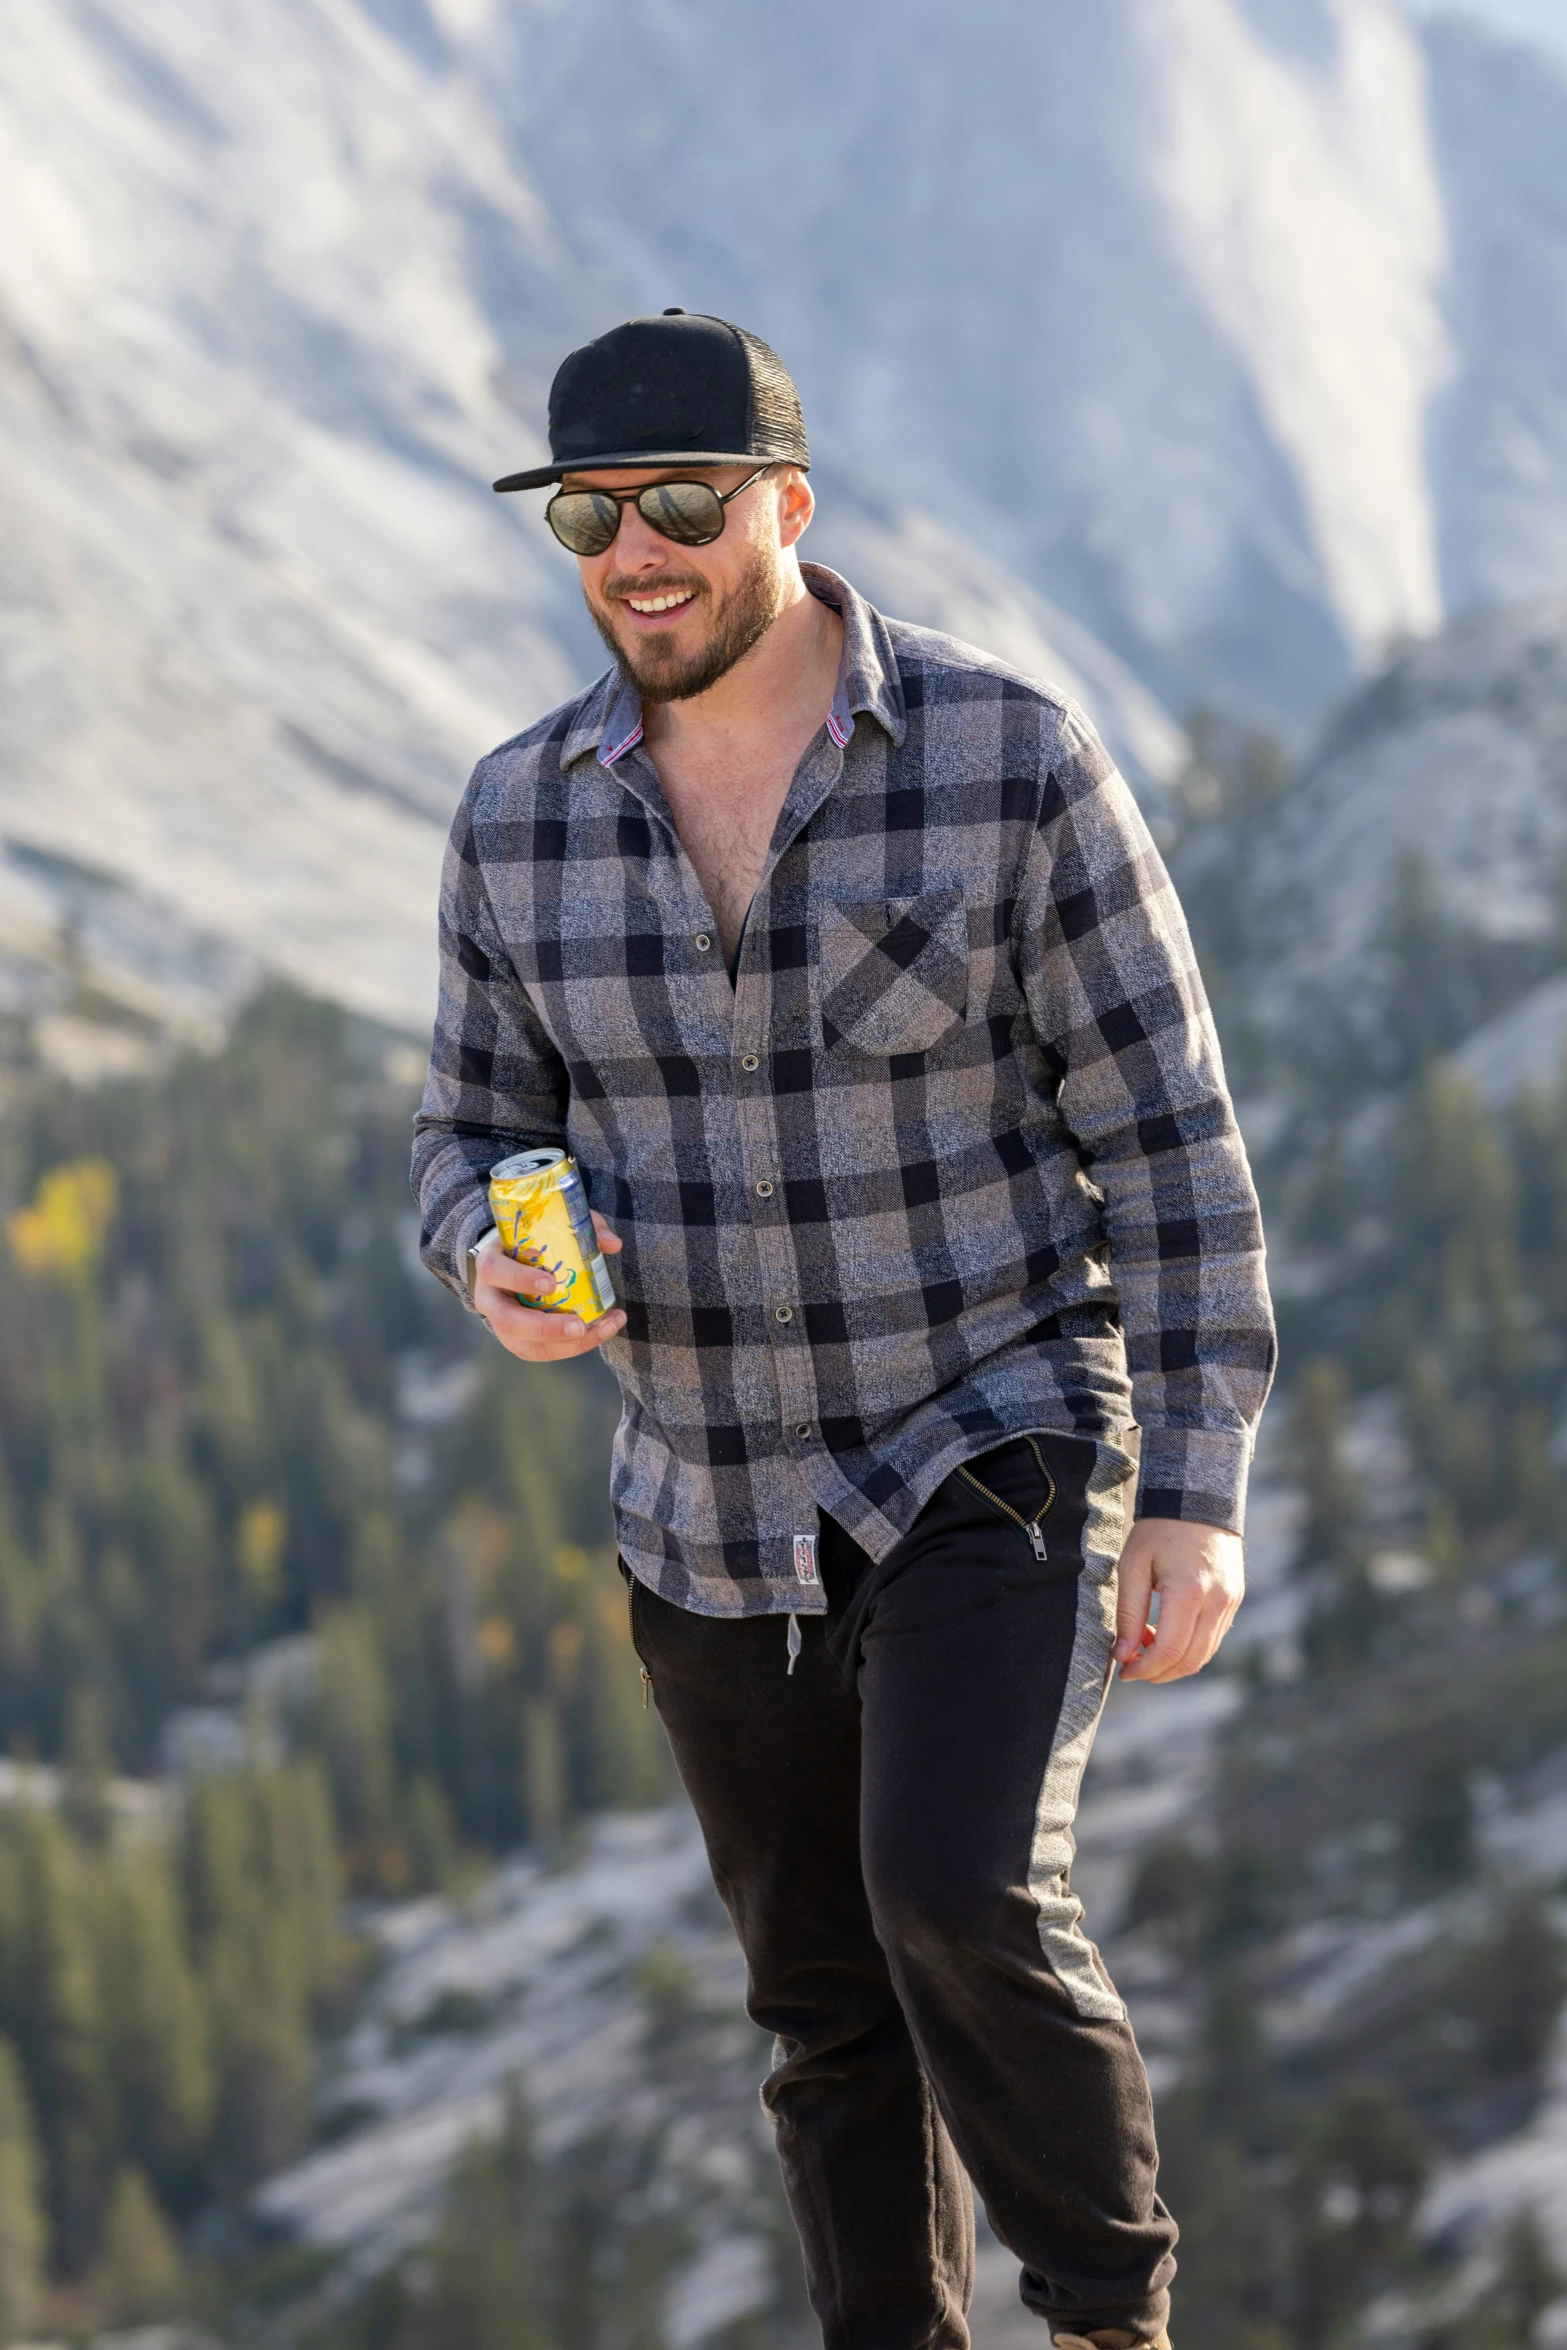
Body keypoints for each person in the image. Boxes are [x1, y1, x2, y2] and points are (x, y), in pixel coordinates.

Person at [412, 309, 1275, 2350]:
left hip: (992, 1426)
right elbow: (468, 1123)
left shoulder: (1007, 759)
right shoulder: (516, 814)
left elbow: (1169, 1142)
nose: (639, 550)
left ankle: (1108, 2317)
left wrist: (1202, 1491)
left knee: (958, 1888)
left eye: (685, 504)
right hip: (706, 1500)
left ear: (787, 509)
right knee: (821, 2010)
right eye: (593, 515)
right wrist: (486, 1253)